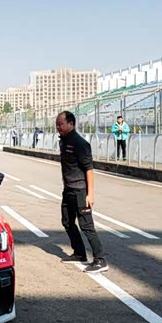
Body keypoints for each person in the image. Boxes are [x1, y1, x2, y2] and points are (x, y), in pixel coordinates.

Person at [56, 111, 108, 274]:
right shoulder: (63, 141)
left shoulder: (80, 143)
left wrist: (90, 194)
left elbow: (89, 170)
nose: (58, 127)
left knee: (86, 226)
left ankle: (100, 260)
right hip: (68, 190)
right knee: (67, 221)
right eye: (57, 124)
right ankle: (79, 253)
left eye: (61, 124)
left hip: (80, 191)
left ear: (71, 124)